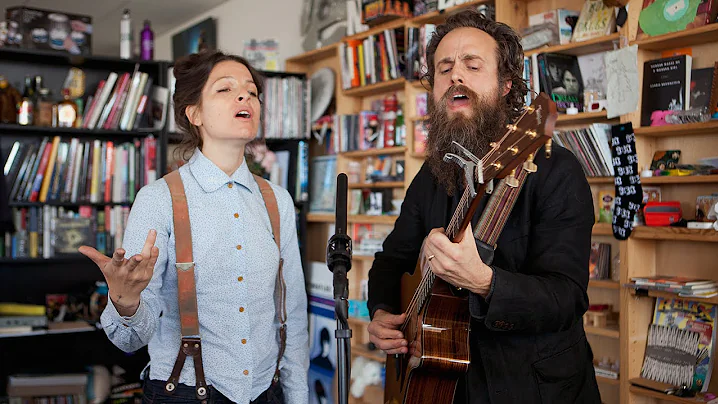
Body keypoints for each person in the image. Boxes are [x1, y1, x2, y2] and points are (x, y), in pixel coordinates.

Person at [366, 9, 602, 404]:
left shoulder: (556, 171)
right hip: (442, 387)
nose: (455, 75)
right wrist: (381, 313)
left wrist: (485, 282)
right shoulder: (429, 177)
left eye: (472, 65)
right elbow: (390, 261)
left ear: (507, 84)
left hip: (535, 389)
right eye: (444, 68)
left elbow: (566, 299)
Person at [79, 50, 308, 404]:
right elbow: (129, 341)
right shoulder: (158, 199)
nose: (245, 96)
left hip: (268, 392)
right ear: (194, 113)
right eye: (225, 89)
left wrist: (298, 397)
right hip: (184, 393)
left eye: (252, 91)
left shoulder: (277, 201)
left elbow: (291, 314)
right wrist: (125, 301)